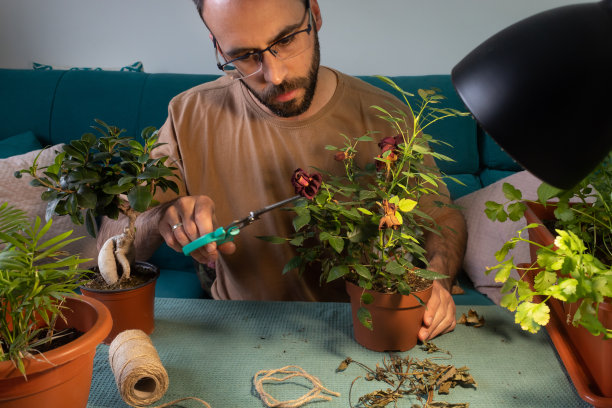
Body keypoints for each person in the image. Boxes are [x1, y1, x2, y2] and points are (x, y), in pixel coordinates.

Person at [98, 0, 467, 342]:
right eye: (243, 55)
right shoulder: (188, 115)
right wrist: (162, 217)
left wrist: (438, 281)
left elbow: (442, 216)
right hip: (240, 331)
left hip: (361, 329)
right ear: (216, 47)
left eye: (287, 39)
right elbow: (111, 244)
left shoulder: (385, 114)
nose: (274, 75)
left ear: (315, 14)